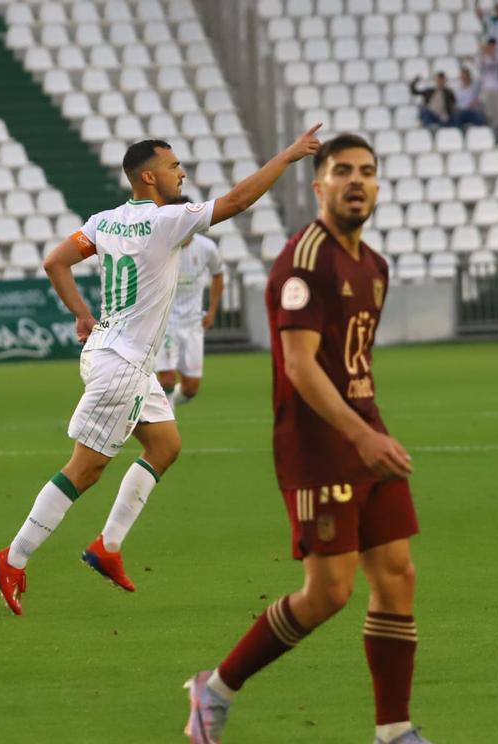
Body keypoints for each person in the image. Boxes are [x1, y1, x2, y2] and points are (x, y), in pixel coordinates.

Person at [0, 127, 323, 616]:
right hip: (122, 365)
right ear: (149, 177)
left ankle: (107, 547)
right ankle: (12, 559)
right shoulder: (167, 221)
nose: (181, 172)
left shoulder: (104, 222)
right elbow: (236, 201)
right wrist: (287, 156)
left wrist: (83, 315)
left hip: (115, 354)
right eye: (173, 166)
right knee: (86, 468)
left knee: (165, 445)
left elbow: (55, 261)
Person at [184, 133, 428, 744]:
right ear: (319, 186)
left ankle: (394, 731)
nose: (356, 180)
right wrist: (361, 438)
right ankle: (214, 690)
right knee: (328, 593)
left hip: (365, 433)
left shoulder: (375, 266)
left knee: (397, 574)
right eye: (342, 170)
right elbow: (299, 365)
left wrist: (371, 433)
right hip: (318, 446)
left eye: (366, 171)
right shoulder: (304, 259)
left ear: (377, 185)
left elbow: (353, 364)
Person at [156, 199, 224, 409]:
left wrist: (212, 310)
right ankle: (165, 419)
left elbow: (218, 274)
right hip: (165, 323)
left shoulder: (207, 247)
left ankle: (163, 407)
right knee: (167, 380)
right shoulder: (160, 246)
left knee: (191, 388)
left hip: (193, 323)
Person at [476, 38, 498, 129]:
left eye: (493, 46)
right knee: (489, 110)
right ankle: (491, 127)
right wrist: (483, 53)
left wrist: (491, 53)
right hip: (487, 86)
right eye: (490, 45)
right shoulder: (481, 55)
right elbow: (480, 65)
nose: (492, 47)